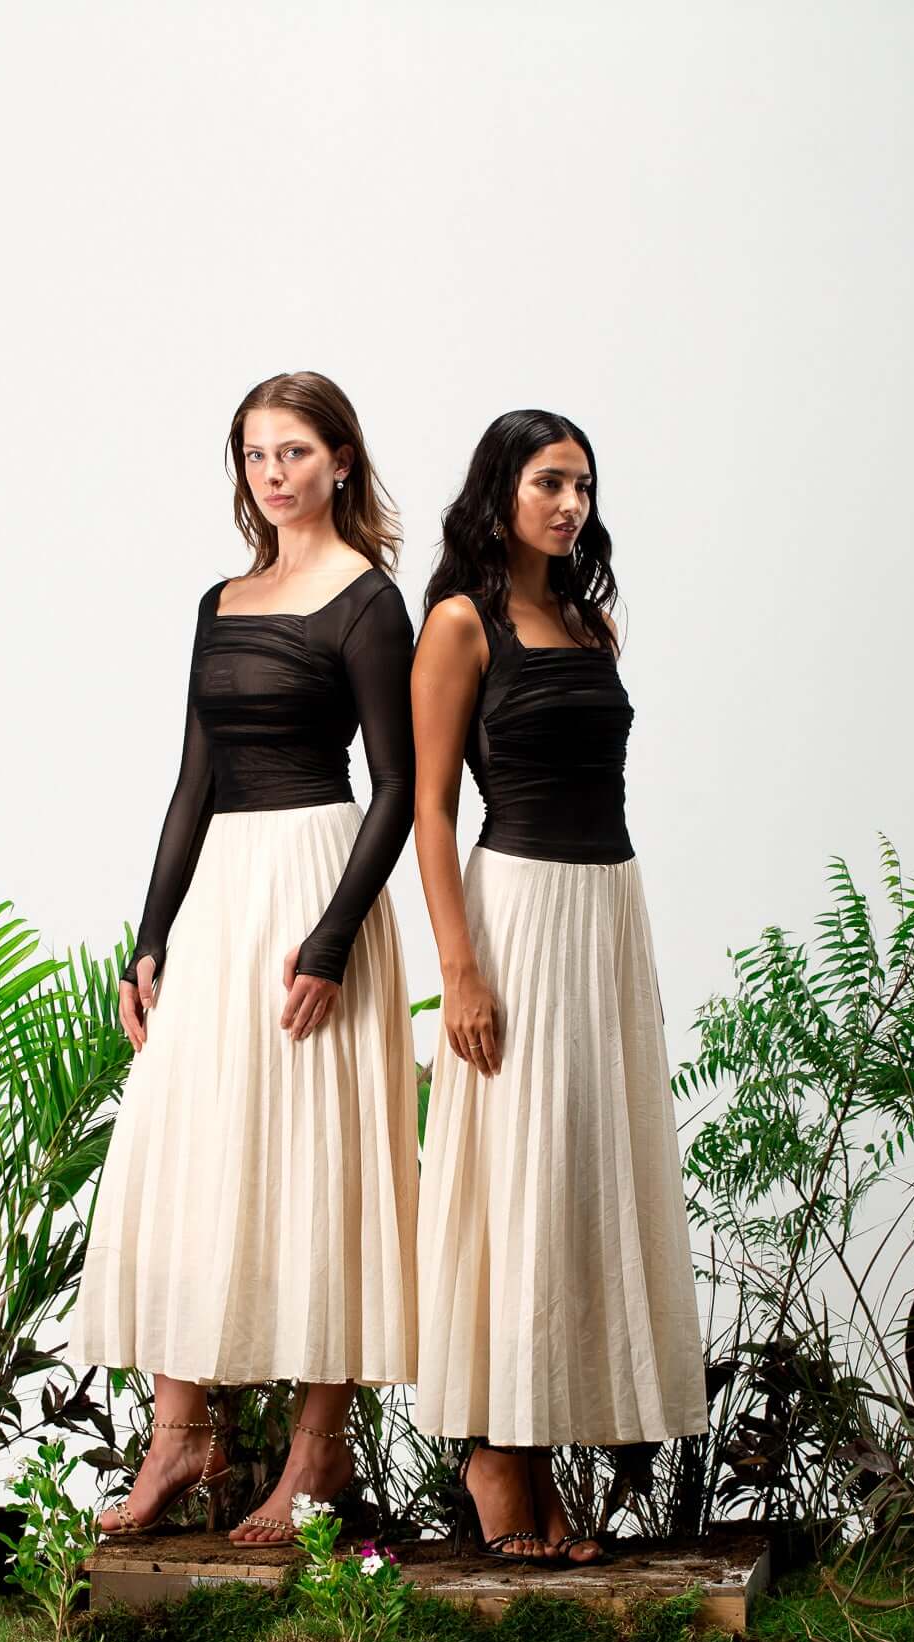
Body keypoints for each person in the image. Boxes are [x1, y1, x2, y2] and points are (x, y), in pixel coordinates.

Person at [69, 371, 419, 1545]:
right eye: (255, 454)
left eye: (294, 451)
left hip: (317, 886)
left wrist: (331, 938)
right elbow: (193, 782)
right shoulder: (219, 601)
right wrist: (150, 937)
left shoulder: (368, 602)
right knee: (188, 1148)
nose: (272, 473)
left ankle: (319, 1451)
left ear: (340, 462)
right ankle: (180, 1434)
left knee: (319, 1158)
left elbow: (397, 786)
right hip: (222, 899)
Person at [411, 410, 708, 1565]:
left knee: (580, 1169)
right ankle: (495, 1454)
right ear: (499, 493)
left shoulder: (593, 625)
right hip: (518, 914)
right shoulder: (459, 625)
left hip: (606, 912)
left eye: (581, 484)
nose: (569, 504)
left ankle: (538, 1458)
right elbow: (430, 809)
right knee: (516, 1170)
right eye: (547, 481)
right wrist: (458, 971)